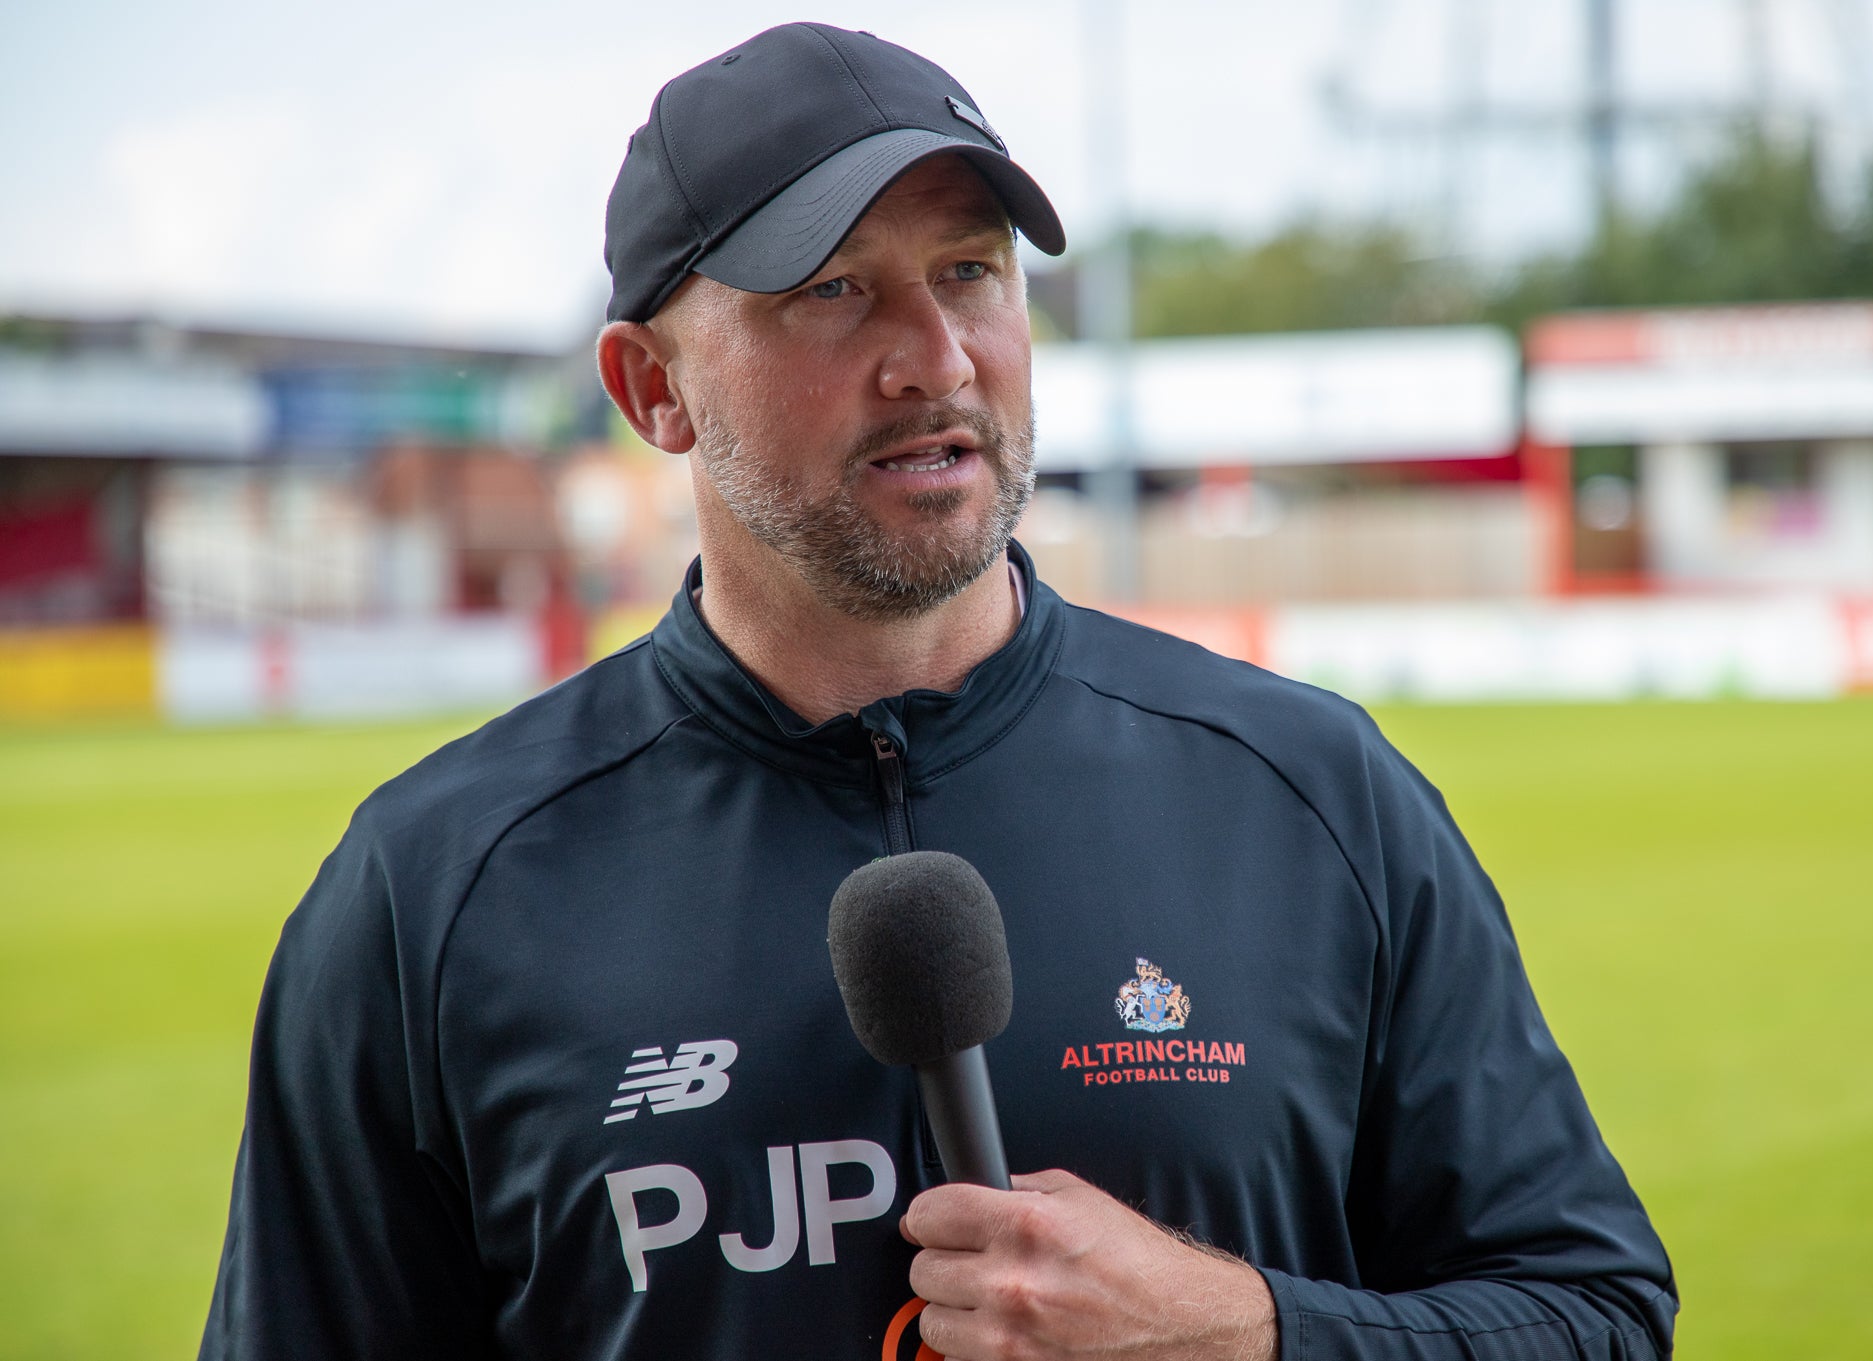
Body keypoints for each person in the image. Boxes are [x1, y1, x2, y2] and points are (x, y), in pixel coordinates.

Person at [200, 22, 1675, 1361]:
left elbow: (1595, 1315)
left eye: (971, 272)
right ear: (653, 388)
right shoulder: (433, 888)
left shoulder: (1310, 793)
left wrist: (1244, 1330)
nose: (937, 358)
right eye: (834, 291)